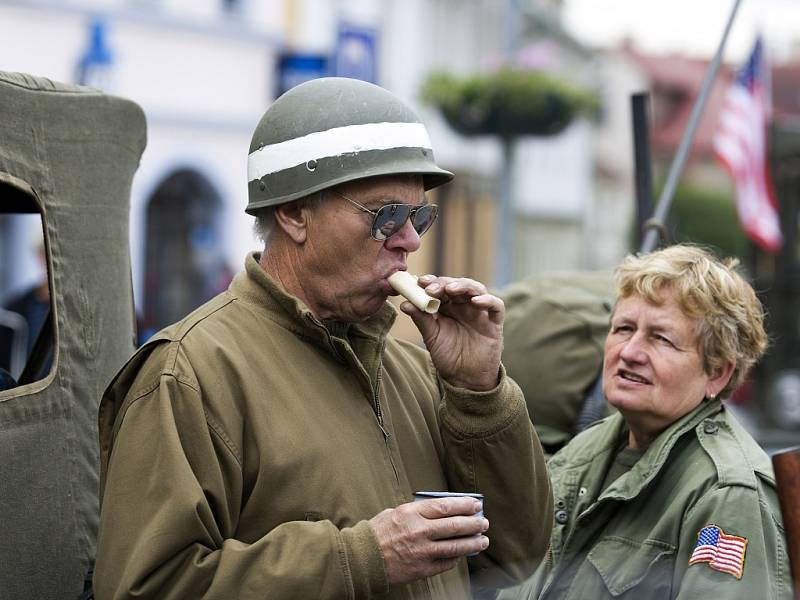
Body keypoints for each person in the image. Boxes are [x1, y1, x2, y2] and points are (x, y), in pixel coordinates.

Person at [94, 77, 552, 599]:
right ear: (293, 213)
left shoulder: (415, 369)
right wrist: (360, 559)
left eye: (419, 215)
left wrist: (479, 394)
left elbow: (515, 556)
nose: (410, 240)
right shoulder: (190, 373)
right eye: (387, 216)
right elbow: (146, 588)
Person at [499, 244, 791, 600]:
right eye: (623, 328)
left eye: (661, 338)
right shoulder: (583, 453)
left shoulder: (727, 495)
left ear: (716, 372)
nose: (630, 352)